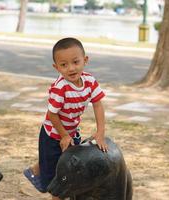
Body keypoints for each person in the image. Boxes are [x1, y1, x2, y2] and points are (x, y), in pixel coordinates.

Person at [23, 37, 108, 200]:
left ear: (85, 60)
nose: (71, 68)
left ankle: (37, 169)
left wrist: (100, 132)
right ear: (56, 67)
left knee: (69, 167)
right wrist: (63, 135)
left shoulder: (90, 81)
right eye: (64, 65)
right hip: (53, 134)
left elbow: (97, 104)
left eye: (76, 62)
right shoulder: (60, 88)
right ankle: (41, 174)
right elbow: (52, 114)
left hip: (71, 130)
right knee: (58, 177)